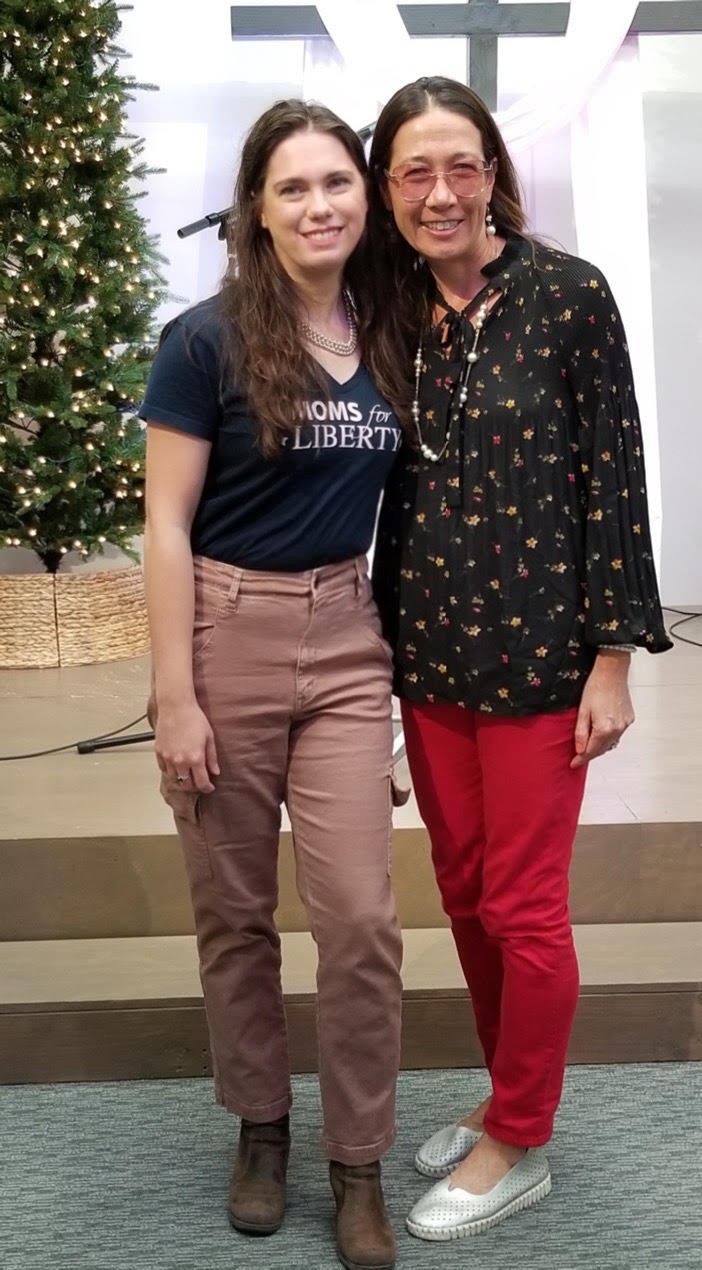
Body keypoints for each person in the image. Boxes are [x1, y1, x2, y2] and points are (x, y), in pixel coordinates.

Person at [367, 76, 672, 1243]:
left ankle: (522, 1138)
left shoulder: (568, 296)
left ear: (493, 171)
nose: (441, 192)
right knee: (462, 890)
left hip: (543, 656)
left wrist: (614, 657)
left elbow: (616, 476)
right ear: (388, 186)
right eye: (415, 171)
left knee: (523, 904)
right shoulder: (388, 307)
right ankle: (510, 1098)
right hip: (431, 653)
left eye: (463, 165)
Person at [141, 99, 409, 1270]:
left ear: (365, 198)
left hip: (347, 641)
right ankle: (262, 1126)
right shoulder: (204, 340)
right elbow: (164, 523)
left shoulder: (390, 330)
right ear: (256, 207)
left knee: (361, 920)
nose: (318, 205)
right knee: (236, 911)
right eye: (292, 187)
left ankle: (360, 1161)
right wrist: (174, 696)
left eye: (337, 182)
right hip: (225, 632)